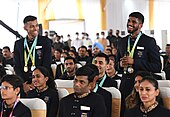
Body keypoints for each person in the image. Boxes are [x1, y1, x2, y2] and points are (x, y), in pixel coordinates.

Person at [115, 12, 162, 116]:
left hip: (142, 85)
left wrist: (135, 62)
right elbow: (115, 66)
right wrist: (120, 65)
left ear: (140, 25)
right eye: (128, 21)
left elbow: (157, 66)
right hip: (125, 84)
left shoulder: (149, 41)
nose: (130, 24)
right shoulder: (122, 41)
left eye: (133, 22)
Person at [13, 15, 52, 94]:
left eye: (36, 25)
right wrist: (23, 83)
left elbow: (47, 63)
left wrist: (37, 82)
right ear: (25, 28)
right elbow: (17, 66)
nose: (35, 29)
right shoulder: (19, 43)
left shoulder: (45, 41)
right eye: (32, 26)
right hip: (25, 84)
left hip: (43, 82)